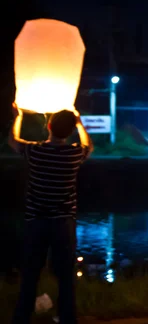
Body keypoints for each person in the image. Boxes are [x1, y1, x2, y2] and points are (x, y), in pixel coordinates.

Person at [9, 104, 93, 324]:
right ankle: (67, 318)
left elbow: (12, 141)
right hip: (63, 223)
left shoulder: (35, 151)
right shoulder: (74, 153)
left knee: (30, 274)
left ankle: (21, 318)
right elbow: (89, 145)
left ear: (48, 126)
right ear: (70, 129)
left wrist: (18, 117)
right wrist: (80, 122)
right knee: (65, 276)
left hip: (36, 221)